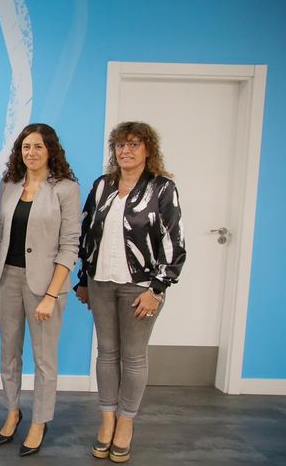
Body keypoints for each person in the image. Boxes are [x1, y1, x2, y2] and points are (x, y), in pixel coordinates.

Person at [75, 121, 186, 463]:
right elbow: (86, 235)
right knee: (107, 353)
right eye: (120, 146)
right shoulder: (102, 186)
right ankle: (107, 421)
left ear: (147, 149)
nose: (125, 151)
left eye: (134, 144)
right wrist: (83, 279)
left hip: (141, 287)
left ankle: (126, 424)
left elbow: (174, 244)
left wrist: (158, 288)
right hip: (101, 283)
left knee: (134, 357)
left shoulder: (162, 189)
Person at [0, 123, 80, 456]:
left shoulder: (66, 189)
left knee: (44, 361)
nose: (31, 152)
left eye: (38, 146)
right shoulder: (9, 185)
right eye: (26, 147)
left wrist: (52, 295)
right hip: (7, 278)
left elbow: (70, 245)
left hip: (47, 284)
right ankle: (13, 411)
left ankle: (40, 421)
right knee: (9, 355)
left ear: (50, 150)